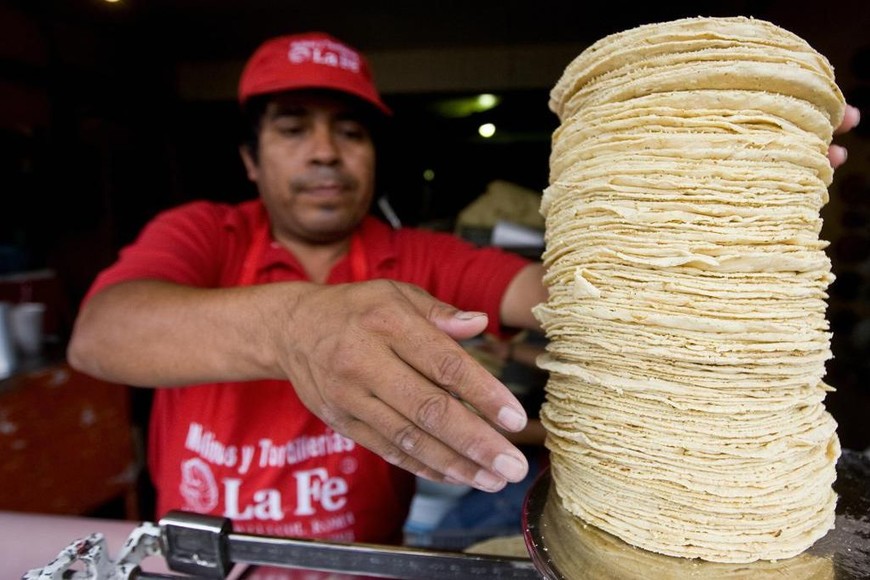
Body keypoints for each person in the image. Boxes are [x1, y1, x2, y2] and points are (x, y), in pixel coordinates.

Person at [67, 31, 860, 543]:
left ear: (374, 154)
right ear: (250, 158)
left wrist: (719, 200)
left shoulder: (420, 256)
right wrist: (293, 326)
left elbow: (584, 297)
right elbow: (102, 333)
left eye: (348, 131)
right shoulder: (205, 233)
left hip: (368, 564)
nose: (324, 153)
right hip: (208, 555)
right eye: (292, 125)